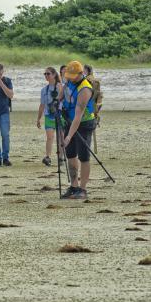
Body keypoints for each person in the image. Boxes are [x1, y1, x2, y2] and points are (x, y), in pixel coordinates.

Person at [59, 61, 97, 200]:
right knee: (70, 155)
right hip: (69, 121)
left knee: (83, 156)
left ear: (81, 74)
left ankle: (83, 189)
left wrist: (68, 136)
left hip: (84, 123)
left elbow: (79, 114)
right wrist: (56, 102)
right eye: (69, 75)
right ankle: (73, 186)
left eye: (73, 76)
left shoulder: (85, 89)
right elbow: (62, 96)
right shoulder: (69, 81)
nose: (70, 78)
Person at [36, 67, 59, 166]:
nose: (46, 76)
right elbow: (42, 105)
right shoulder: (44, 90)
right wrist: (38, 119)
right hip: (48, 115)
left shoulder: (60, 87)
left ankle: (61, 157)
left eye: (48, 74)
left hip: (60, 115)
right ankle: (48, 157)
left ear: (54, 75)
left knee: (61, 137)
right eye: (45, 74)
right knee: (50, 137)